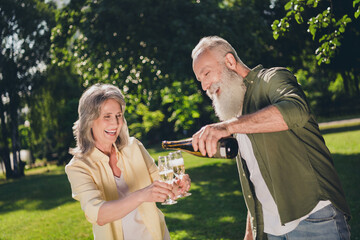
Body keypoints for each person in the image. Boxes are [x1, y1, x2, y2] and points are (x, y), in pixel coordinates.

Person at [190, 36, 351, 240]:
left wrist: (227, 126)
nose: (204, 86)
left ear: (230, 62)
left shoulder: (273, 78)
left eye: (206, 73)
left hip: (315, 218)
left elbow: (296, 111)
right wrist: (250, 233)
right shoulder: (236, 109)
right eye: (200, 80)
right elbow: (257, 177)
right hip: (272, 230)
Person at [65, 83, 191, 240]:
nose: (115, 123)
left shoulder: (134, 147)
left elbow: (160, 186)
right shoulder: (78, 167)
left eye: (118, 115)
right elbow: (98, 214)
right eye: (107, 116)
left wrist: (176, 187)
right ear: (89, 120)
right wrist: (141, 196)